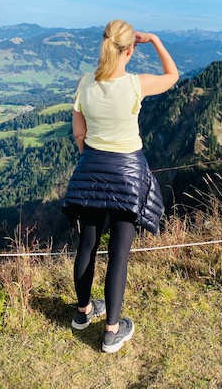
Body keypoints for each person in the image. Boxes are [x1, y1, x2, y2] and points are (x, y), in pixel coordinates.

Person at [62, 19, 178, 353]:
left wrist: (91, 159)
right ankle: (112, 331)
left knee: (87, 245)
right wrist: (154, 39)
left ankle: (83, 312)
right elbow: (172, 76)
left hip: (91, 171)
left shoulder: (84, 83)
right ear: (130, 50)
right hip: (127, 174)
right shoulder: (135, 84)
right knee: (118, 254)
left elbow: (79, 134)